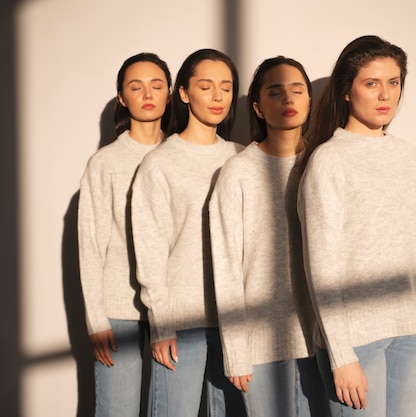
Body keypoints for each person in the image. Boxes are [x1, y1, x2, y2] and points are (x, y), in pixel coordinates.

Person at [297, 35, 416, 417]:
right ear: (347, 92)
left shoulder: (409, 156)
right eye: (371, 83)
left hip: (411, 332)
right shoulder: (329, 160)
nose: (385, 94)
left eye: (393, 82)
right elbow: (321, 267)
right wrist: (340, 353)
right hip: (355, 337)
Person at [209, 56, 330, 417]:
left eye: (297, 91)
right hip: (261, 341)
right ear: (258, 108)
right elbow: (226, 264)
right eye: (275, 93)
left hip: (323, 339)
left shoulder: (323, 163)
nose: (289, 100)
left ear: (310, 100)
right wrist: (236, 350)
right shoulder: (238, 172)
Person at [131, 49, 245, 417]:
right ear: (183, 93)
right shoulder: (160, 163)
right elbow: (150, 249)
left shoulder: (242, 158)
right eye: (206, 86)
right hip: (181, 322)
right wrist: (160, 322)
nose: (217, 97)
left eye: (226, 88)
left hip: (237, 321)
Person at [77, 52, 172, 417]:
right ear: (122, 97)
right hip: (119, 310)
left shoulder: (181, 153)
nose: (147, 94)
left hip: (175, 308)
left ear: (170, 93)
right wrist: (95, 319)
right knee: (116, 411)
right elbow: (90, 245)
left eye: (156, 85)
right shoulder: (105, 163)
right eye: (136, 86)